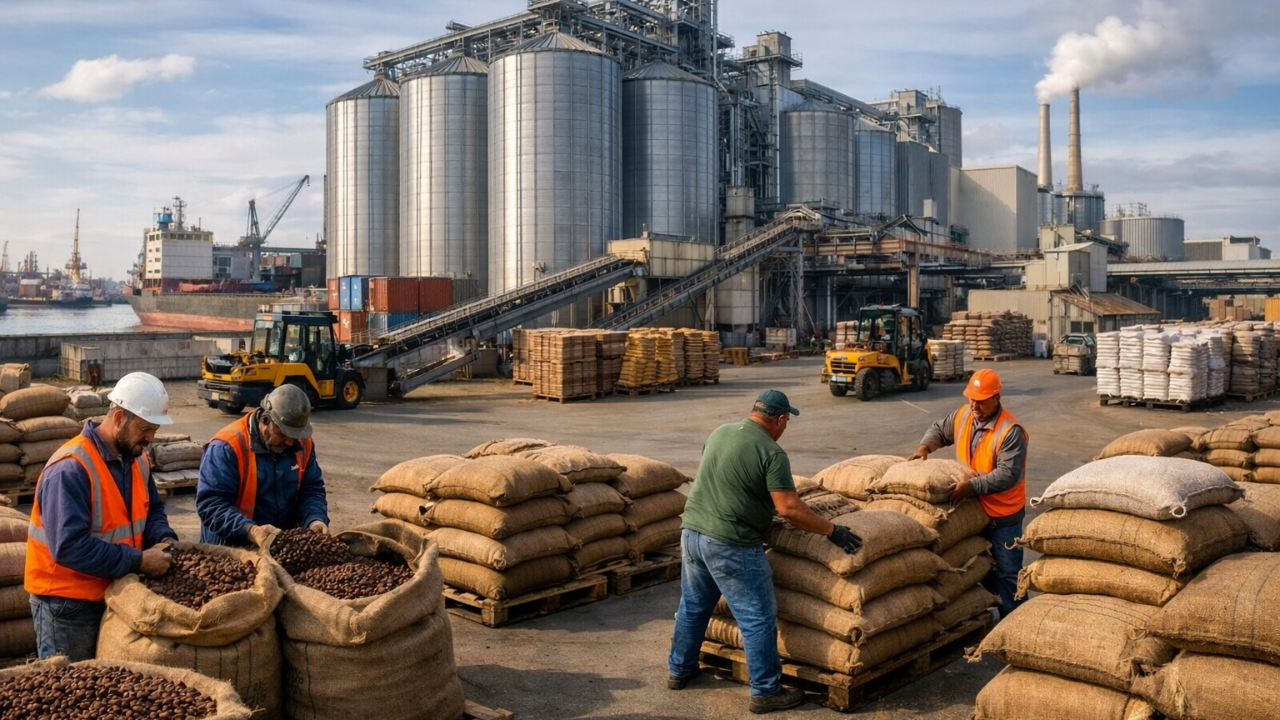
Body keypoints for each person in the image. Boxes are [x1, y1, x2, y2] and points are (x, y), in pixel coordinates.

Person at [668, 389, 862, 715]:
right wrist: (833, 531)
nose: (785, 427)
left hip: (691, 533)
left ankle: (679, 670)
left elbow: (727, 478)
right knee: (757, 618)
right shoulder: (771, 452)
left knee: (693, 607)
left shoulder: (721, 432)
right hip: (730, 543)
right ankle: (766, 691)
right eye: (787, 421)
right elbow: (789, 508)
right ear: (780, 419)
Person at [25, 372, 179, 661]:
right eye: (145, 428)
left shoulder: (137, 459)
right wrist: (140, 561)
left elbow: (153, 510)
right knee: (70, 694)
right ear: (119, 417)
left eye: (155, 430)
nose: (150, 438)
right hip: (67, 605)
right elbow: (69, 546)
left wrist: (163, 537)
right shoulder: (70, 469)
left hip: (114, 592)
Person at [907, 368, 1029, 619]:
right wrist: (924, 447)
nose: (974, 404)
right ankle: (995, 604)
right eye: (971, 398)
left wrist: (970, 486)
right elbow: (940, 429)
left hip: (1003, 513)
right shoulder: (964, 415)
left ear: (996, 398)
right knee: (978, 566)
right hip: (973, 510)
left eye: (981, 400)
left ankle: (1016, 622)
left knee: (1008, 570)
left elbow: (1008, 474)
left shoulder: (1010, 431)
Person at [196, 384, 329, 547]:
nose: (289, 441)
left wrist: (314, 518)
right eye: (283, 434)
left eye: (294, 435)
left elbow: (311, 489)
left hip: (280, 546)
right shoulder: (227, 447)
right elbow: (211, 504)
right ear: (265, 420)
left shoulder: (303, 444)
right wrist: (251, 531)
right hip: (231, 548)